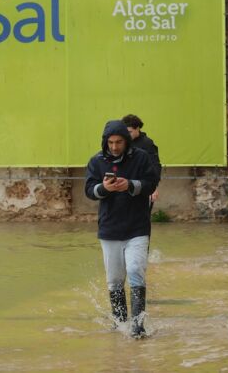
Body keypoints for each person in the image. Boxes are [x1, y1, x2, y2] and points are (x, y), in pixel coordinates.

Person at [85, 121, 159, 338]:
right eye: (111, 142)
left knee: (136, 270)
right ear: (105, 142)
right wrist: (103, 188)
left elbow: (151, 183)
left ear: (126, 141)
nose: (115, 147)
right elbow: (89, 190)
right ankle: (120, 325)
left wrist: (131, 185)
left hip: (137, 226)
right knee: (115, 280)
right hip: (109, 228)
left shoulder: (141, 158)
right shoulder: (96, 162)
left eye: (118, 142)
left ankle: (137, 326)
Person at [122, 114, 161, 207]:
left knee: (141, 219)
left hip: (143, 187)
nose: (127, 135)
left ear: (137, 128)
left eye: (130, 132)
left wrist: (153, 188)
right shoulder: (124, 142)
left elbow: (155, 165)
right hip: (127, 187)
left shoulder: (147, 144)